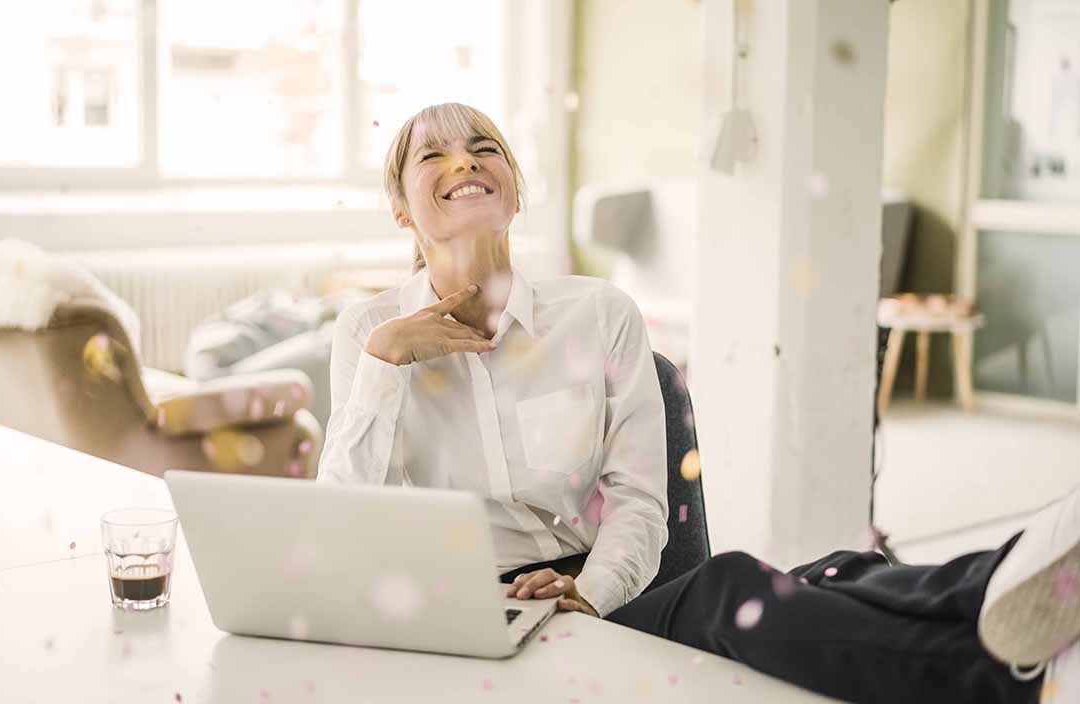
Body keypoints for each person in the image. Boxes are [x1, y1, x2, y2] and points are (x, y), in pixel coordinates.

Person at [316, 102, 1079, 704]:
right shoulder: (367, 333)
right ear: (401, 207)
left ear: (514, 191)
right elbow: (340, 525)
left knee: (827, 573)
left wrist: (588, 592)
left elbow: (641, 505)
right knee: (728, 593)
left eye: (484, 147)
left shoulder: (600, 314)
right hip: (470, 617)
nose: (464, 160)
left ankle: (1007, 584)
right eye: (433, 153)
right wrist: (386, 364)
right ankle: (995, 664)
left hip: (592, 592)